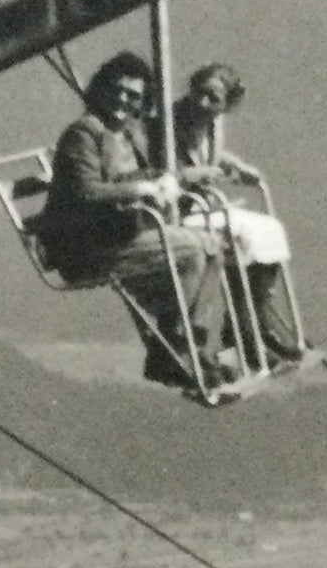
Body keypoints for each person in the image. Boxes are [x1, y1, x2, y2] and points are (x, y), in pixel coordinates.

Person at [40, 51, 231, 387]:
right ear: (100, 89)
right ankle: (166, 353)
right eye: (117, 90)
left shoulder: (123, 133)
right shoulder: (84, 134)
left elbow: (137, 174)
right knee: (190, 252)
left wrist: (171, 179)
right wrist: (144, 188)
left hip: (119, 234)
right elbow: (87, 192)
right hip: (87, 247)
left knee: (215, 246)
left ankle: (190, 345)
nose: (123, 100)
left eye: (133, 96)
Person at [165, 62, 304, 367]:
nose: (203, 103)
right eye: (200, 93)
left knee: (268, 230)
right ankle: (243, 333)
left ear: (226, 104)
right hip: (180, 209)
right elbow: (163, 168)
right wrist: (194, 174)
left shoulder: (214, 123)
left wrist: (234, 165)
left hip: (203, 206)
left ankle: (255, 326)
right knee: (240, 236)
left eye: (213, 99)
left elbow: (210, 154)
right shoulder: (171, 121)